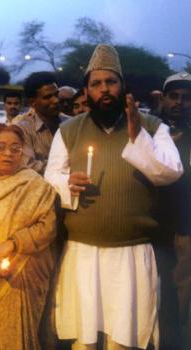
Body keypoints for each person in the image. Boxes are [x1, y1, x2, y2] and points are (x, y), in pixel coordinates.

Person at [45, 44, 183, 349]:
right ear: (86, 91)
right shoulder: (69, 130)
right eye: (96, 83)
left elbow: (170, 171)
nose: (104, 89)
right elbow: (51, 177)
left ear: (122, 86)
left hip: (131, 254)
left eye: (111, 82)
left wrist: (137, 136)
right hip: (82, 253)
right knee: (85, 340)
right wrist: (68, 182)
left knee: (124, 340)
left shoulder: (151, 126)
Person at [0, 124, 57, 350]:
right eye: (0, 147)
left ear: (23, 152)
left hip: (25, 272)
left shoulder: (36, 185)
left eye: (15, 148)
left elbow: (47, 227)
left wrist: (11, 245)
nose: (8, 153)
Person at [155, 71, 191, 349]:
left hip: (184, 230)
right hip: (147, 229)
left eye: (186, 98)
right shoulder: (148, 131)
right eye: (174, 97)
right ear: (163, 99)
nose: (179, 103)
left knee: (179, 294)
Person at [15, 71, 69, 174]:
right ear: (32, 102)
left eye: (56, 94)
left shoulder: (71, 123)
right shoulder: (22, 129)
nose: (56, 100)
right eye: (47, 97)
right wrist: (66, 167)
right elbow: (29, 165)